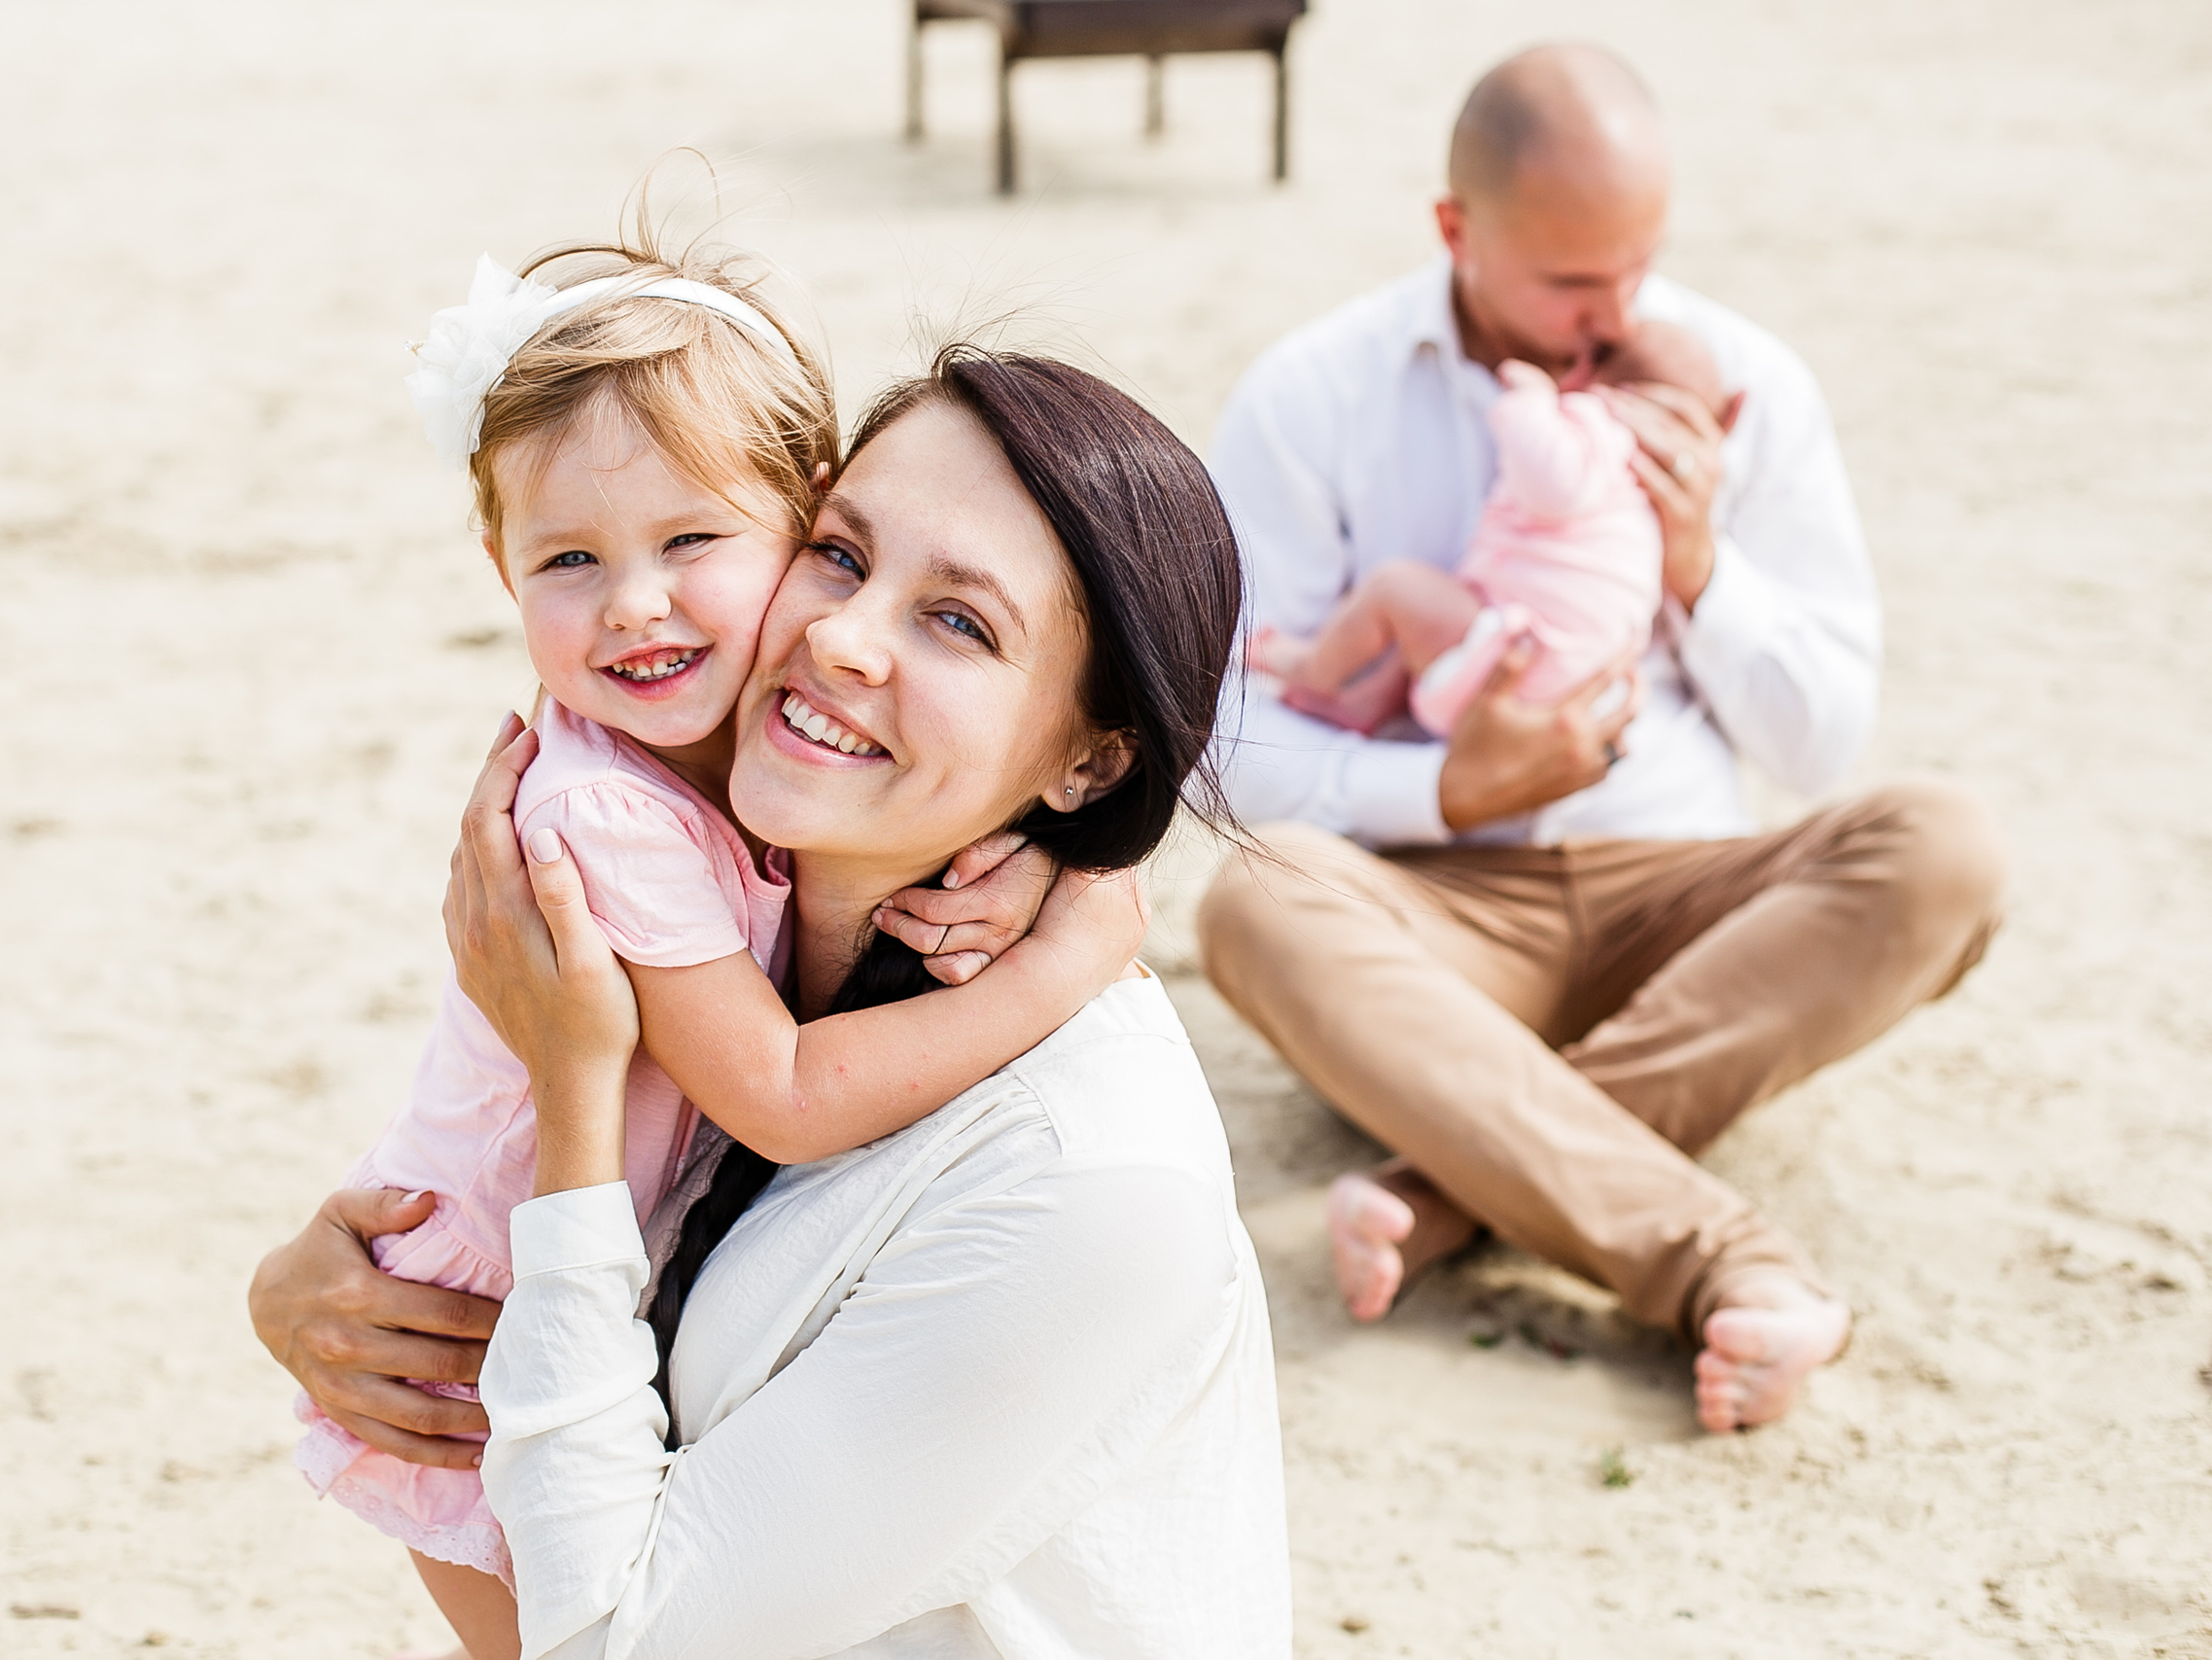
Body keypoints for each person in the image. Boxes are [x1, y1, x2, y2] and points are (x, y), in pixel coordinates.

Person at [255, 347, 1290, 1657]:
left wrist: (577, 1097)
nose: (841, 637)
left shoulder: (1086, 1178)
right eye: (843, 556)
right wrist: (313, 1293)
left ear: (1090, 761)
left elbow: (604, 1642)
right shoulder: (709, 900)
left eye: (960, 622)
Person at [1198, 42, 2008, 1432]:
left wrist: (1699, 566)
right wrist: (1449, 781)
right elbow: (1223, 750)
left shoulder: (1738, 381)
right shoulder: (1311, 396)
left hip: (1694, 909)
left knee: (1948, 845)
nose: (1615, 312)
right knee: (1257, 900)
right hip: (1431, 919)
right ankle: (1715, 1252)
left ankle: (1456, 1180)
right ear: (1455, 231)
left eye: (1640, 265)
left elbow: (1823, 745)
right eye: (1573, 281)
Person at [1246, 321, 1726, 739]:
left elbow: (1552, 487)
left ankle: (1311, 668)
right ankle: (1368, 701)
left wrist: (1532, 401)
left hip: (1521, 659)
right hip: (1565, 672)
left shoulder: (1601, 425)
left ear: (1588, 372)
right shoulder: (1649, 490)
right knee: (1431, 618)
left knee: (1396, 589)